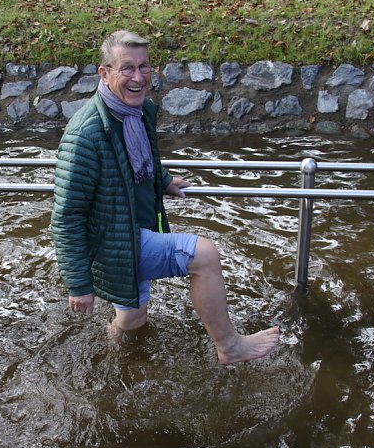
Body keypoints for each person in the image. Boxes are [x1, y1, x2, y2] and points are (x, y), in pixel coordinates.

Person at [50, 30, 280, 365]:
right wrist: (78, 284)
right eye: (127, 68)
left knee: (132, 320)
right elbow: (66, 215)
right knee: (203, 256)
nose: (138, 77)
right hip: (116, 242)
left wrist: (164, 180)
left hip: (132, 228)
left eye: (144, 67)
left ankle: (108, 368)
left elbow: (132, 164)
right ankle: (229, 347)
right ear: (105, 73)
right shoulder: (87, 133)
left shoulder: (135, 112)